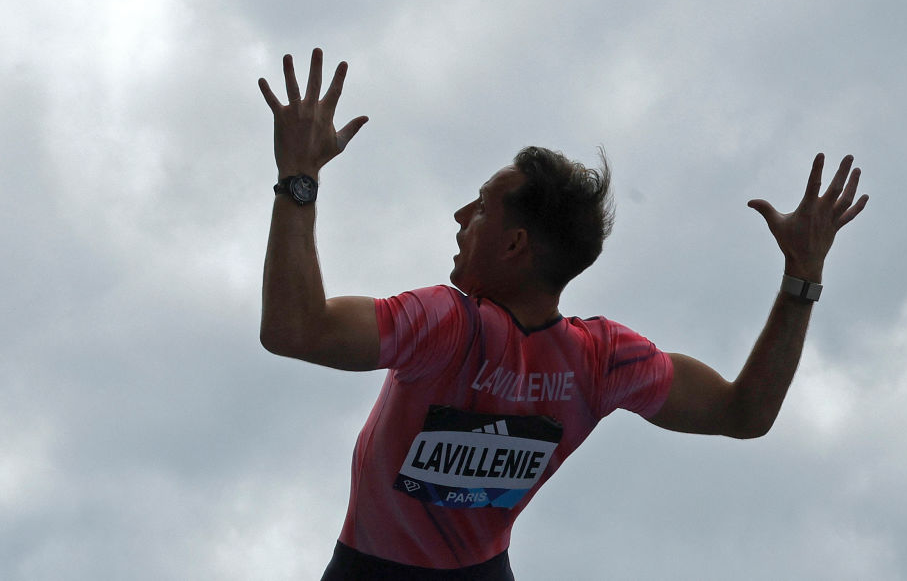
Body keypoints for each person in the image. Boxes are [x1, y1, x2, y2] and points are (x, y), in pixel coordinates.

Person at [258, 49, 868, 580]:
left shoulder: (447, 325)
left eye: (481, 207)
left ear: (515, 243)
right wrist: (802, 279)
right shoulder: (599, 362)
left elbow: (294, 329)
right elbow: (746, 413)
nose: (458, 216)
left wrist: (299, 175)